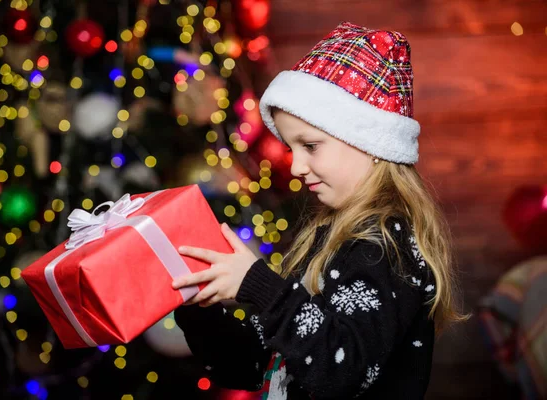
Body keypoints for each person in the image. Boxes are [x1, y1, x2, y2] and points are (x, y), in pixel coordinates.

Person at [172, 21, 467, 399]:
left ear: (368, 140)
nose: (295, 167)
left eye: (310, 146)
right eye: (291, 149)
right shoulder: (326, 238)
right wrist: (199, 307)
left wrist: (258, 285)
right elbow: (250, 365)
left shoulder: (384, 248)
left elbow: (339, 370)